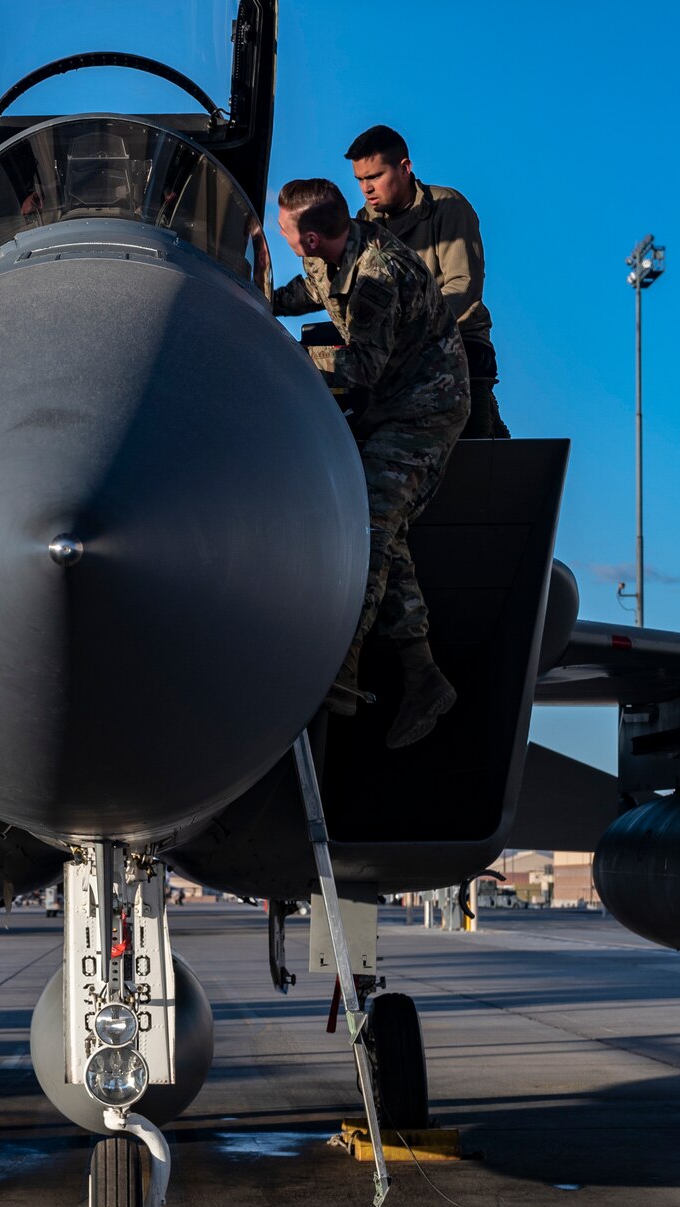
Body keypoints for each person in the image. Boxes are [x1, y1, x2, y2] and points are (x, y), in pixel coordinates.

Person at [271, 178, 469, 747]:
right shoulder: (332, 248)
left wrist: (283, 353)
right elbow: (308, 291)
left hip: (425, 408)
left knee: (371, 525)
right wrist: (257, 303)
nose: (283, 236)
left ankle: (342, 668)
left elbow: (360, 369)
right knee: (385, 526)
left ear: (310, 237)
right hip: (390, 405)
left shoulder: (378, 277)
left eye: (285, 229)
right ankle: (422, 672)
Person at [345, 125, 509, 440]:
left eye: (375, 176)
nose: (366, 188)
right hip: (390, 358)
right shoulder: (363, 225)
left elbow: (464, 285)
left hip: (457, 344)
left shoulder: (449, 207)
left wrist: (406, 326)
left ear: (405, 168)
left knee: (474, 455)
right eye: (360, 180)